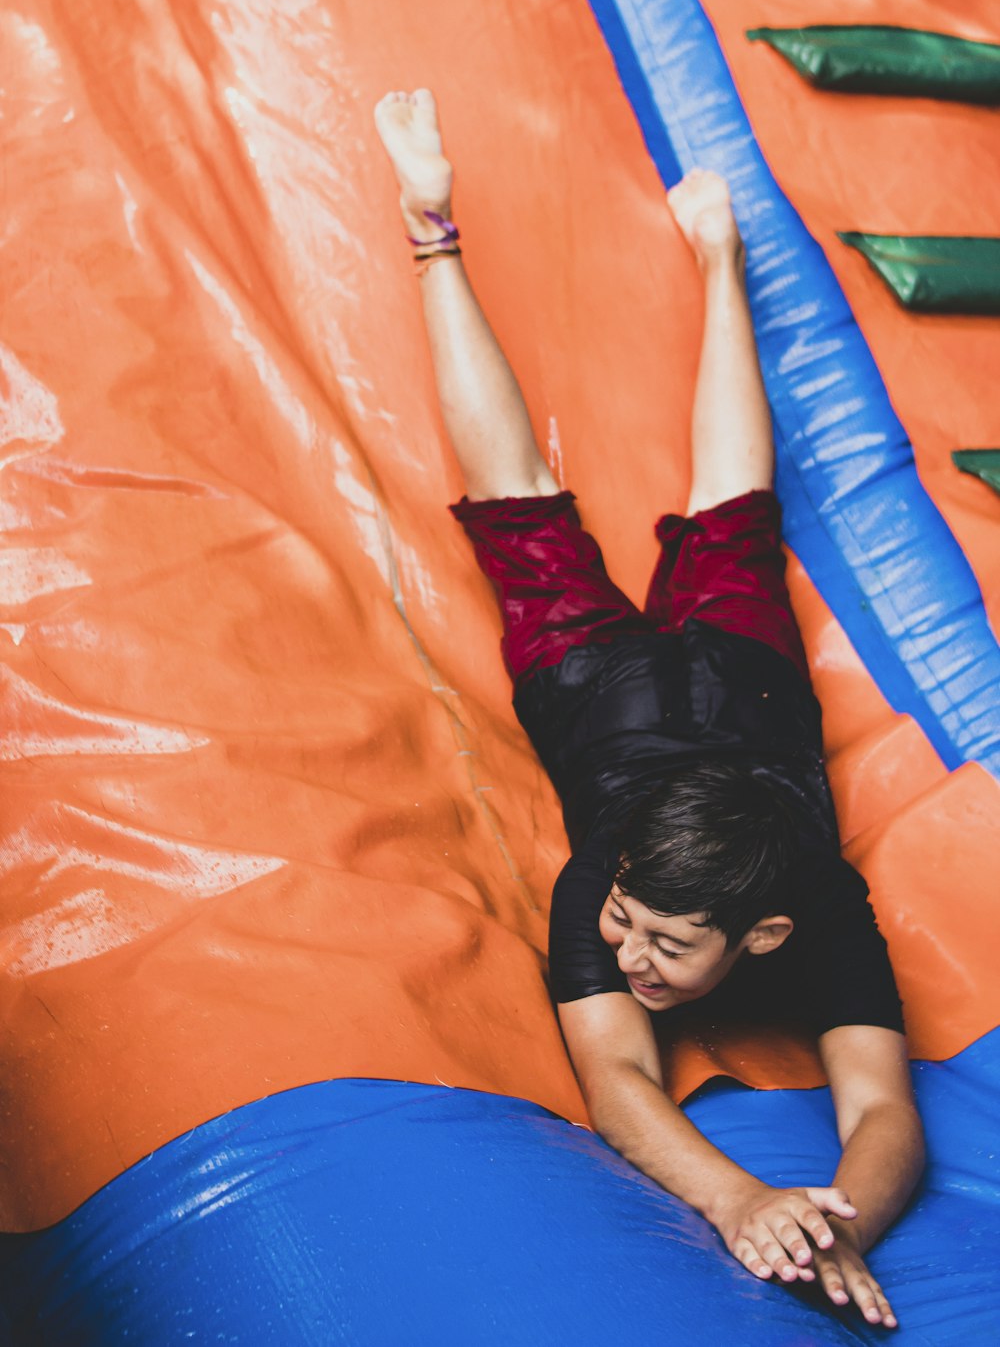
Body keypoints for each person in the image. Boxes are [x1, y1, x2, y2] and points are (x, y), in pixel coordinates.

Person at [373, 88, 924, 1330]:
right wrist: (741, 1201)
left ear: (763, 936)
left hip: (603, 688)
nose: (624, 955)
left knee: (519, 511)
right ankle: (458, 231)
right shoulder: (610, 884)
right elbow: (616, 1078)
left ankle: (693, 251)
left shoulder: (818, 908)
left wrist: (834, 1219)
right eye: (630, 925)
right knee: (733, 505)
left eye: (664, 948)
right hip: (725, 675)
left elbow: (884, 1111)